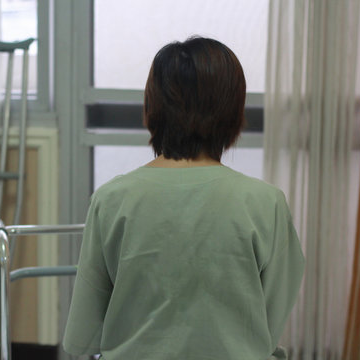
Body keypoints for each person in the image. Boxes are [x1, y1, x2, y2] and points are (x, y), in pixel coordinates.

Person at [63, 36, 305, 360]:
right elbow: (268, 325)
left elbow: (82, 337)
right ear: (234, 111)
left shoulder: (111, 200)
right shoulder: (265, 203)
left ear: (151, 108)